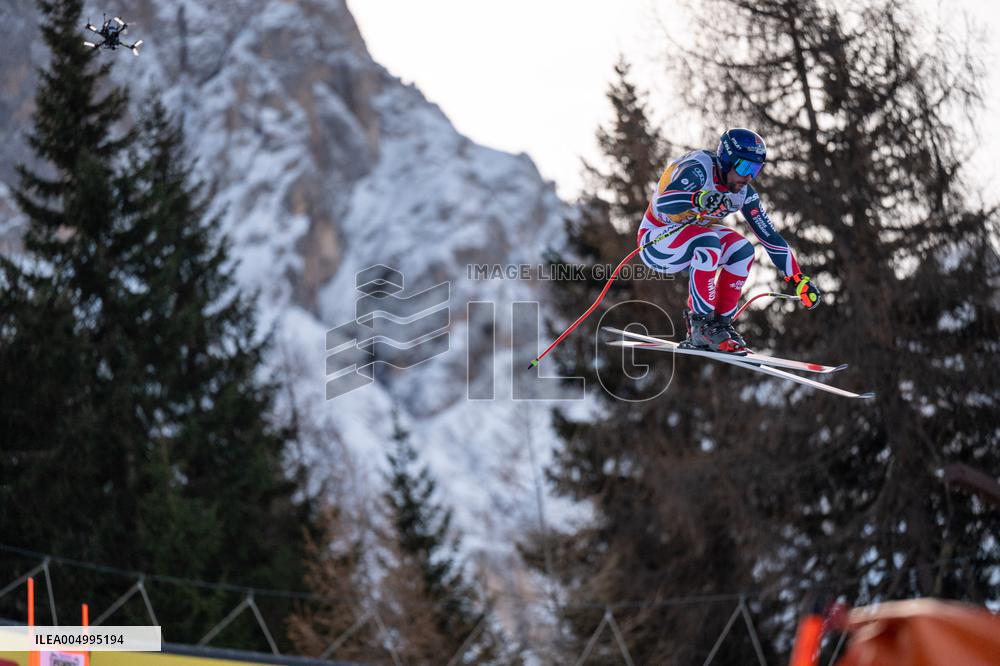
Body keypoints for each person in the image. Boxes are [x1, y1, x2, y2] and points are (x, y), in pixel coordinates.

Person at [636, 128, 821, 353]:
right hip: (655, 241)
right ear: (726, 160)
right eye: (744, 168)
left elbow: (770, 236)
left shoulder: (742, 193)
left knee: (743, 251)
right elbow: (664, 202)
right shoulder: (698, 169)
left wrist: (798, 278)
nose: (748, 177)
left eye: (755, 170)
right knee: (707, 241)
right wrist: (699, 198)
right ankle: (701, 325)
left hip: (691, 239)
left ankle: (720, 324)